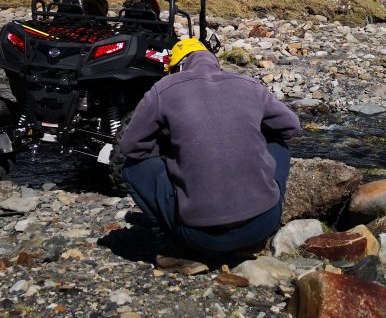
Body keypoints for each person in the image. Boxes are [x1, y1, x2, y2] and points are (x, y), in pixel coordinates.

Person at [120, 37, 300, 254]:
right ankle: (260, 217)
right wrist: (248, 134)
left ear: (177, 67)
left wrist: (170, 151)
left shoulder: (163, 89)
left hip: (199, 237)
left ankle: (174, 244)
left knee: (132, 166)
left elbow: (130, 147)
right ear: (213, 61)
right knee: (278, 144)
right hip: (263, 225)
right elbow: (291, 126)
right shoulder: (249, 85)